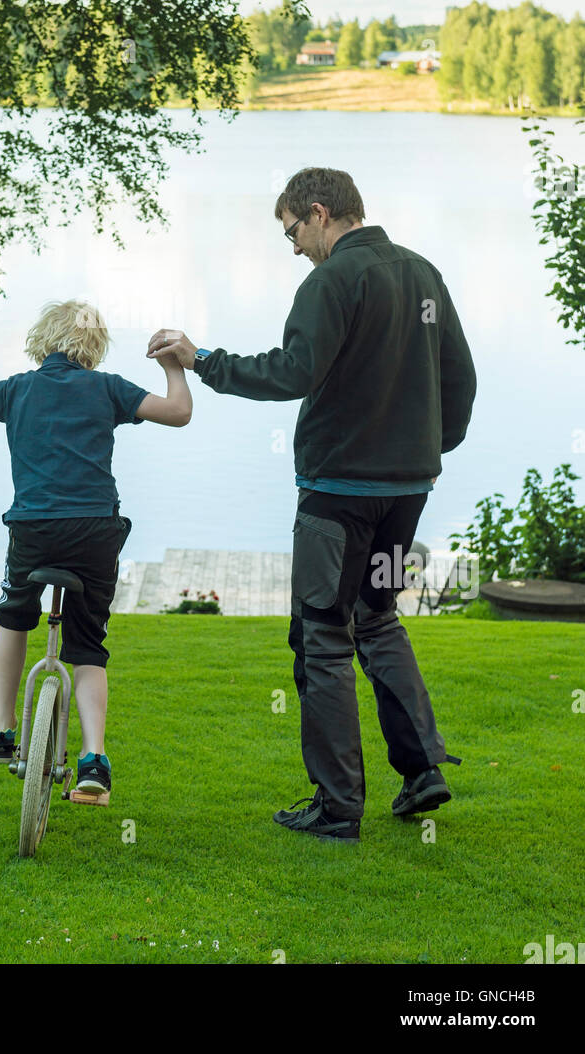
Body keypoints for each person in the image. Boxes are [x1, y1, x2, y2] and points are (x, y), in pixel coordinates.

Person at [146, 166, 476, 843]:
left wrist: (203, 358)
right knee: (378, 620)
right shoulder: (423, 275)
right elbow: (460, 380)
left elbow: (291, 373)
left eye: (292, 231)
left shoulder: (330, 281)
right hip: (407, 492)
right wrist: (426, 451)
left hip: (337, 495)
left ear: (319, 213)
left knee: (323, 634)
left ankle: (337, 807)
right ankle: (421, 771)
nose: (293, 246)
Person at [0, 298, 192, 802]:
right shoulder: (109, 388)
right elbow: (179, 413)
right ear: (94, 345)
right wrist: (171, 366)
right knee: (89, 647)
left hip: (34, 530)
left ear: (43, 339)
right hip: (95, 532)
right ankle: (93, 762)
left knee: (14, 613)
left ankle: (2, 728)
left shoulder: (17, 389)